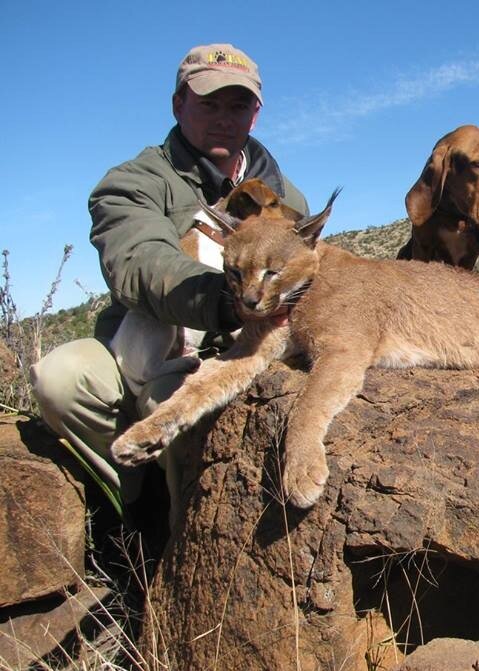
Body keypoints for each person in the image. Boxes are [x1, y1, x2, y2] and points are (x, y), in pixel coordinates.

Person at [30, 44, 308, 525]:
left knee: (179, 400)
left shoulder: (287, 198)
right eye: (208, 103)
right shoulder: (134, 180)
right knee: (60, 380)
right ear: (179, 104)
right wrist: (226, 301)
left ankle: (184, 517)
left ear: (255, 114)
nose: (223, 118)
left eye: (237, 105)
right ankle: (134, 506)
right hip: (147, 336)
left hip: (242, 343)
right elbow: (139, 262)